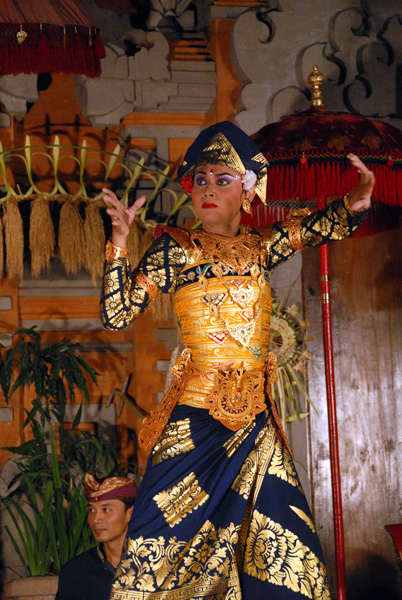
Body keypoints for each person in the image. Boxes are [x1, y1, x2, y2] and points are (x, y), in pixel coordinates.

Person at [100, 121, 374, 599]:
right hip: (195, 418)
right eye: (200, 180)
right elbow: (118, 313)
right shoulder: (175, 248)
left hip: (254, 421)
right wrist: (120, 242)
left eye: (222, 180)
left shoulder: (260, 246)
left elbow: (320, 225)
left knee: (287, 545)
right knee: (159, 539)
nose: (208, 190)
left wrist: (359, 196)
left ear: (246, 190)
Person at [55, 474, 137, 600]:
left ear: (130, 513)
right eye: (91, 510)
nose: (96, 519)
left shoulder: (157, 564)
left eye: (106, 510)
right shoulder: (75, 572)